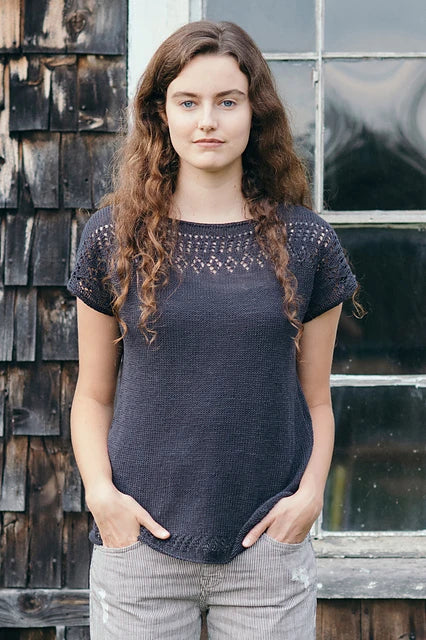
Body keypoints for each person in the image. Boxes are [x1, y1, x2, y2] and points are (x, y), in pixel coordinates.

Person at [67, 19, 360, 640]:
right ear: (161, 114)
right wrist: (102, 497)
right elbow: (92, 394)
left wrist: (308, 500)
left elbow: (316, 400)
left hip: (267, 551)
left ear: (256, 112)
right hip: (138, 549)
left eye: (228, 102)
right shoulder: (113, 238)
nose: (208, 121)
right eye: (188, 102)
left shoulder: (307, 242)